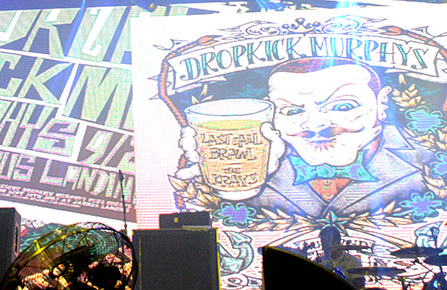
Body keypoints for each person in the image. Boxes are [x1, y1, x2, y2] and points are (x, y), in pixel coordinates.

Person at [177, 57, 429, 217]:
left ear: (382, 104)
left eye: (342, 106)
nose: (315, 124)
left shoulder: (427, 160)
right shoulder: (259, 162)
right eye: (292, 111)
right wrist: (229, 177)